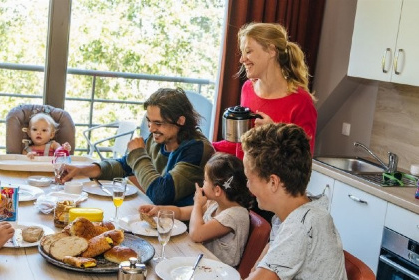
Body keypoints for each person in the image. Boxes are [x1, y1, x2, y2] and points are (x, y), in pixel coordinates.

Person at [62, 88, 215, 206]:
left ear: (180, 121)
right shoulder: (159, 138)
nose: (151, 129)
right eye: (149, 121)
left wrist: (138, 154)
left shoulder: (197, 149)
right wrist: (82, 169)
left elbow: (161, 194)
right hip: (155, 216)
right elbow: (124, 165)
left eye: (158, 123)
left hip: (184, 228)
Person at [241, 123, 347, 280]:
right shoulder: (292, 214)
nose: (247, 186)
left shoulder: (301, 225)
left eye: (249, 179)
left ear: (273, 182)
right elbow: (257, 271)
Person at [214, 22, 317, 158]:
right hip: (243, 177)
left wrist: (274, 134)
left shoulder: (301, 102)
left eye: (248, 51)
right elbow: (241, 144)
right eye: (242, 53)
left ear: (271, 51)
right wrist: (205, 146)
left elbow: (303, 161)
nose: (241, 59)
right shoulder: (247, 88)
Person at [139, 152, 254, 267]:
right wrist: (159, 210)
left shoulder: (234, 215)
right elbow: (182, 212)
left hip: (218, 270)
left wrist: (198, 204)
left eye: (205, 180)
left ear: (217, 190)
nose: (202, 184)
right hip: (201, 259)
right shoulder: (214, 204)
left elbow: (196, 234)